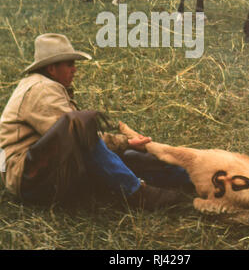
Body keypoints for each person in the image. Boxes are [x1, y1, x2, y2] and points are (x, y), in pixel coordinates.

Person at [0, 34, 193, 209]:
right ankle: (137, 193)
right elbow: (80, 136)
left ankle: (191, 176)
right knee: (84, 132)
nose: (74, 70)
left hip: (42, 172)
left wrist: (124, 144)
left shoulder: (46, 86)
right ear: (51, 68)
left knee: (123, 155)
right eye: (69, 64)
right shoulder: (41, 89)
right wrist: (124, 142)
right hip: (27, 180)